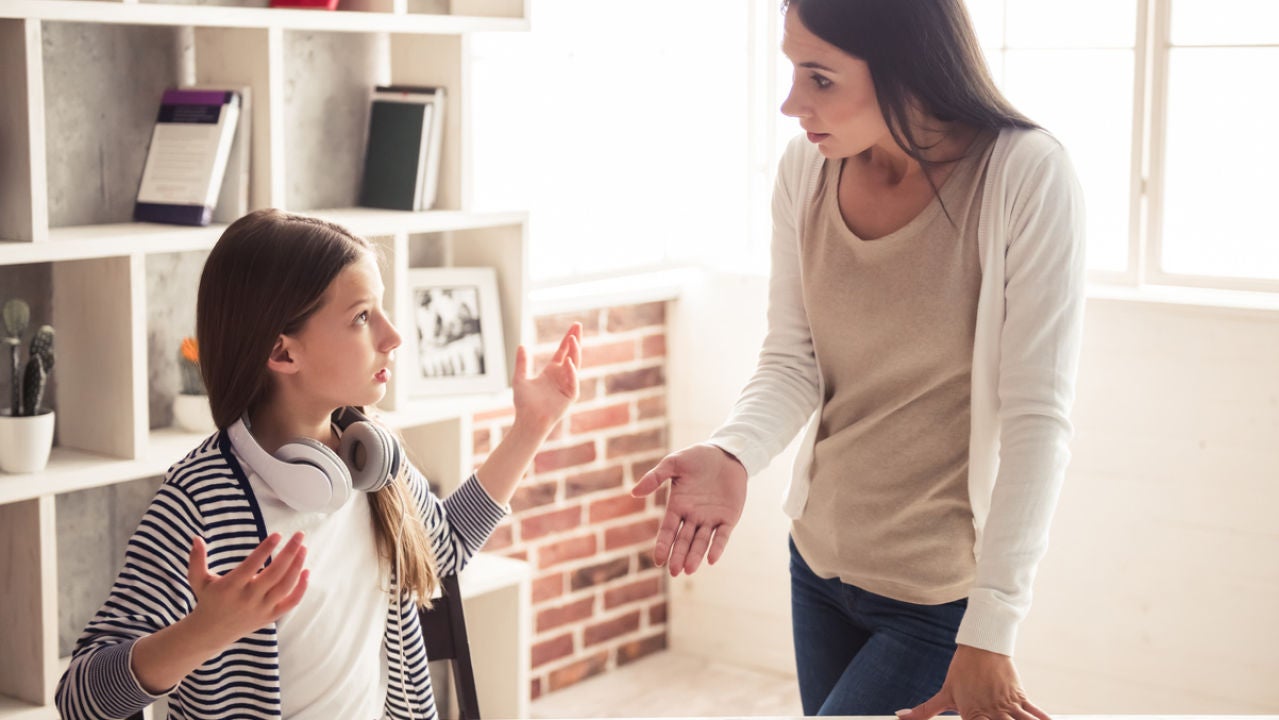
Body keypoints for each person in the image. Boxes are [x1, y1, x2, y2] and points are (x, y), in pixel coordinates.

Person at [632, 1, 1085, 718]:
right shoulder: (805, 172)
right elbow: (793, 358)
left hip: (936, 595)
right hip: (817, 565)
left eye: (819, 78)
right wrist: (734, 451)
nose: (791, 104)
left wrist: (992, 627)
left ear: (907, 67)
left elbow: (1038, 418)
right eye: (791, 71)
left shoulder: (1023, 175)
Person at [56, 208, 581, 720]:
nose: (393, 336)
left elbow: (442, 547)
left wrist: (530, 428)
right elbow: (80, 700)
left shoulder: (372, 459)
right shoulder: (199, 500)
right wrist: (202, 632)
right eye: (361, 317)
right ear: (283, 354)